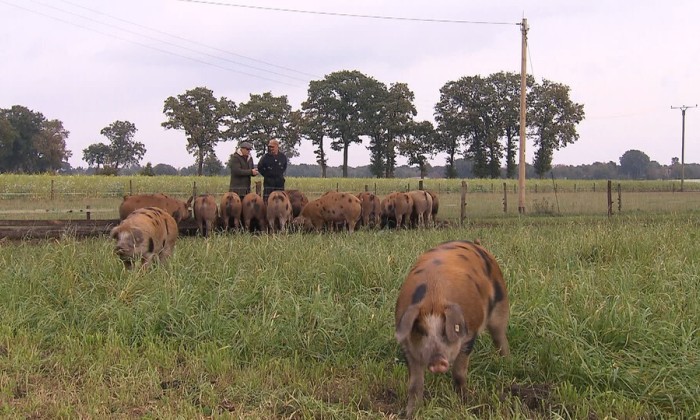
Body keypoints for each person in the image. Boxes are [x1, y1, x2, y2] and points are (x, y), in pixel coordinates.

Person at [257, 138, 288, 203]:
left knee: (280, 202)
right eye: (269, 147)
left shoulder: (282, 157)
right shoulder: (265, 157)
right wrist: (266, 175)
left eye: (272, 147)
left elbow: (284, 167)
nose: (271, 148)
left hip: (279, 184)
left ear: (277, 146)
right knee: (267, 202)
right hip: (269, 184)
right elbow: (259, 167)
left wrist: (279, 174)